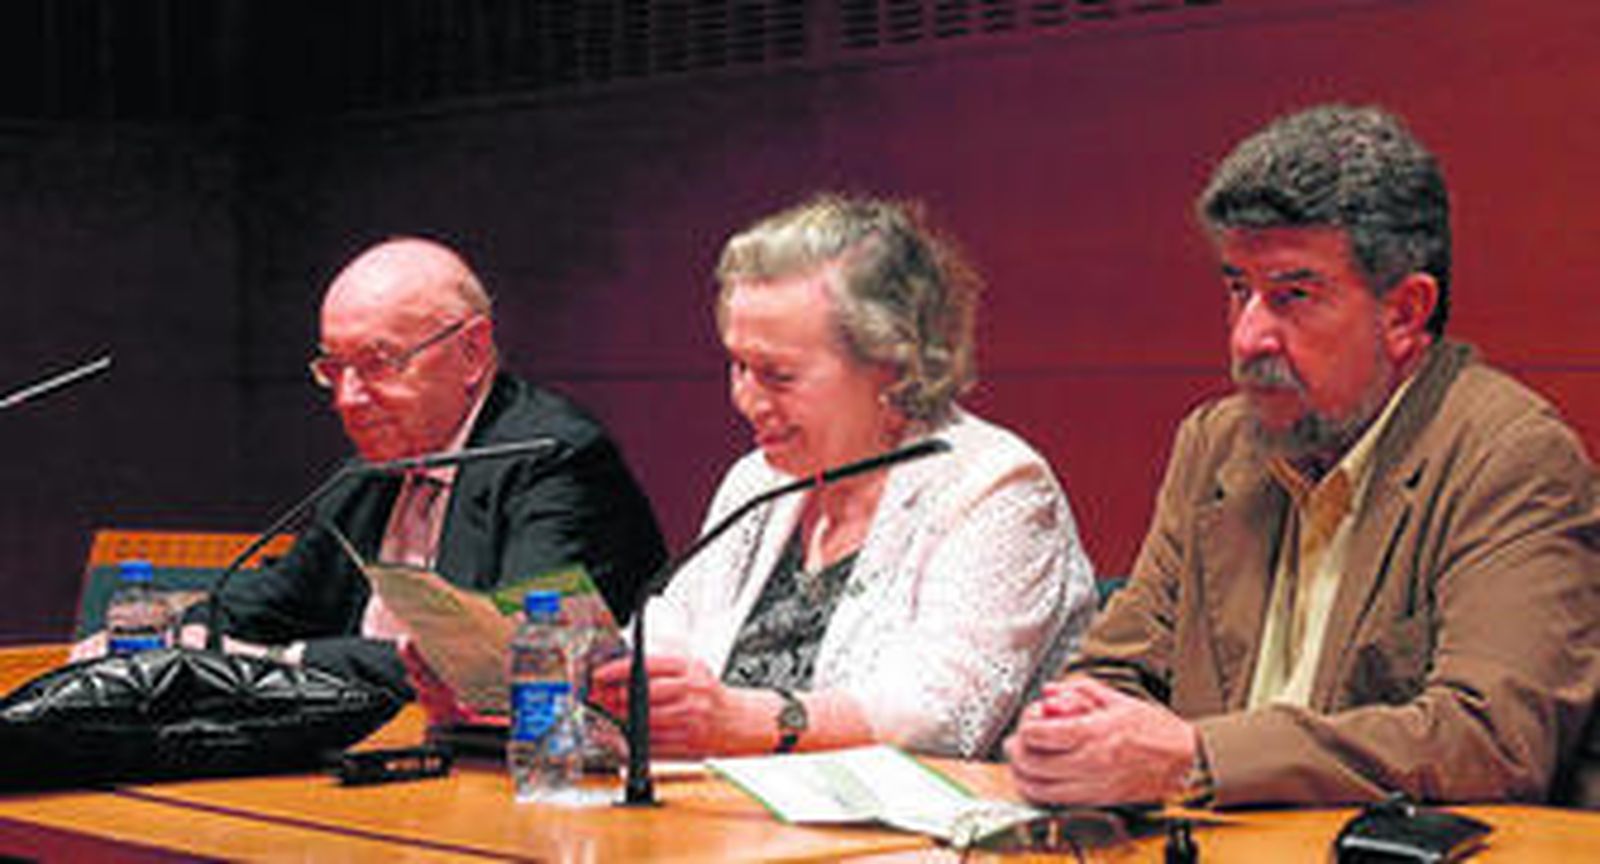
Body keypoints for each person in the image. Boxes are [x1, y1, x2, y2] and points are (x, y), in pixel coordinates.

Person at [1007, 104, 1600, 808]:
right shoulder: (1215, 443)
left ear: (1405, 313)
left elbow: (1491, 736)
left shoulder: (1509, 457)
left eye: (1292, 295)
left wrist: (1201, 759)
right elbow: (1118, 667)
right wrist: (1073, 729)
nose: (1247, 337)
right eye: (1237, 290)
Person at [594, 194, 1097, 759]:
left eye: (777, 375)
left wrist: (750, 719)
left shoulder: (997, 486)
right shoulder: (756, 481)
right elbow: (671, 629)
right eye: (738, 366)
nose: (745, 400)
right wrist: (618, 679)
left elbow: (944, 715)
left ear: (895, 364)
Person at [198, 237, 665, 710]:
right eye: (334, 369)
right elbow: (278, 599)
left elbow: (509, 663)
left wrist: (288, 658)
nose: (348, 399)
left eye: (378, 364)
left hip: (513, 767)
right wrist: (186, 632)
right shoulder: (366, 476)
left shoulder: (553, 459)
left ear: (472, 351)